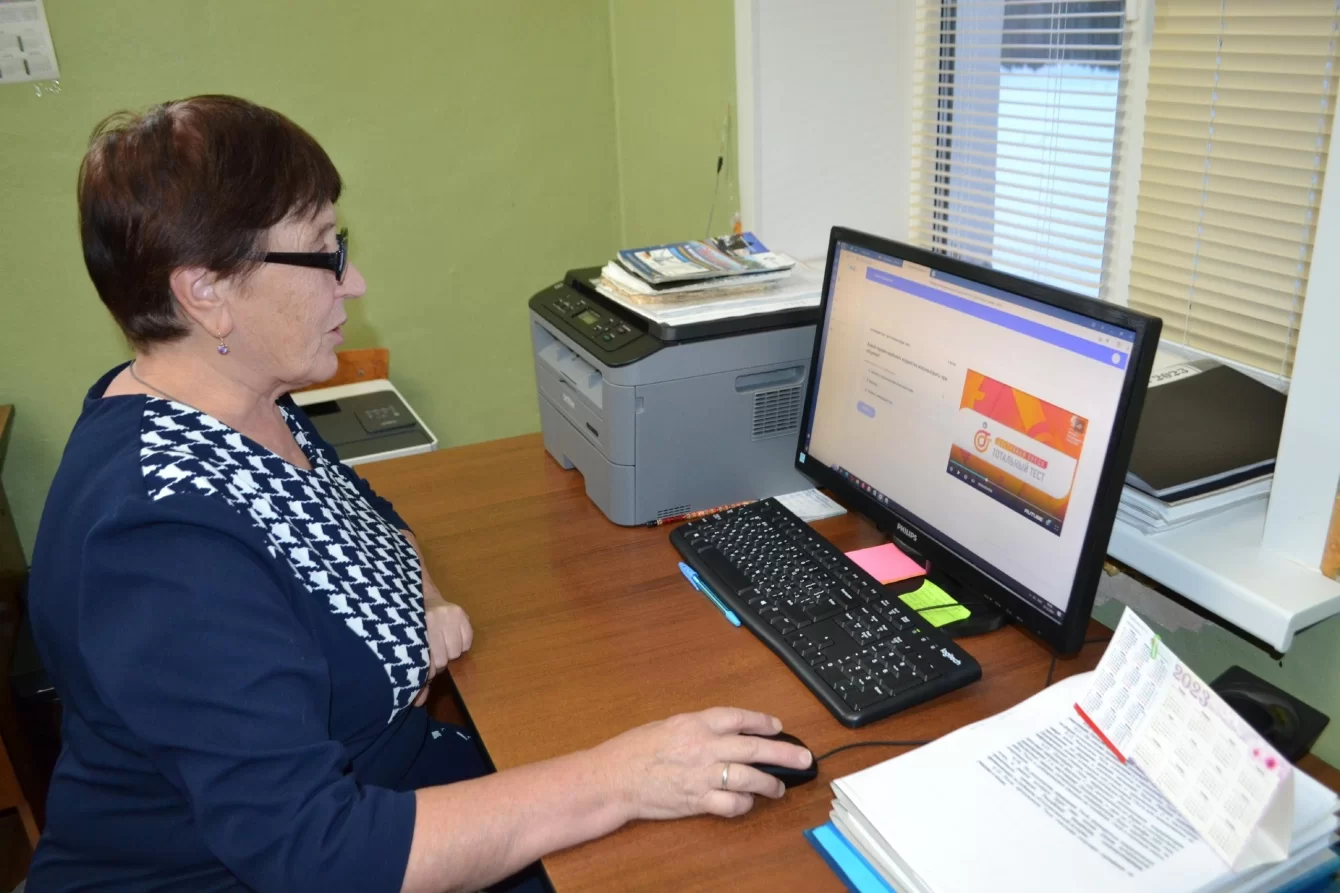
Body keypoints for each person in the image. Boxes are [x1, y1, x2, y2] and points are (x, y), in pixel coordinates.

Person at [25, 95, 813, 893]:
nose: (353, 280)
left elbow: (373, 520)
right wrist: (623, 777)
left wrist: (425, 599)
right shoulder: (160, 541)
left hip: (391, 788)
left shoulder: (238, 401)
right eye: (324, 251)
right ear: (206, 292)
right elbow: (324, 855)